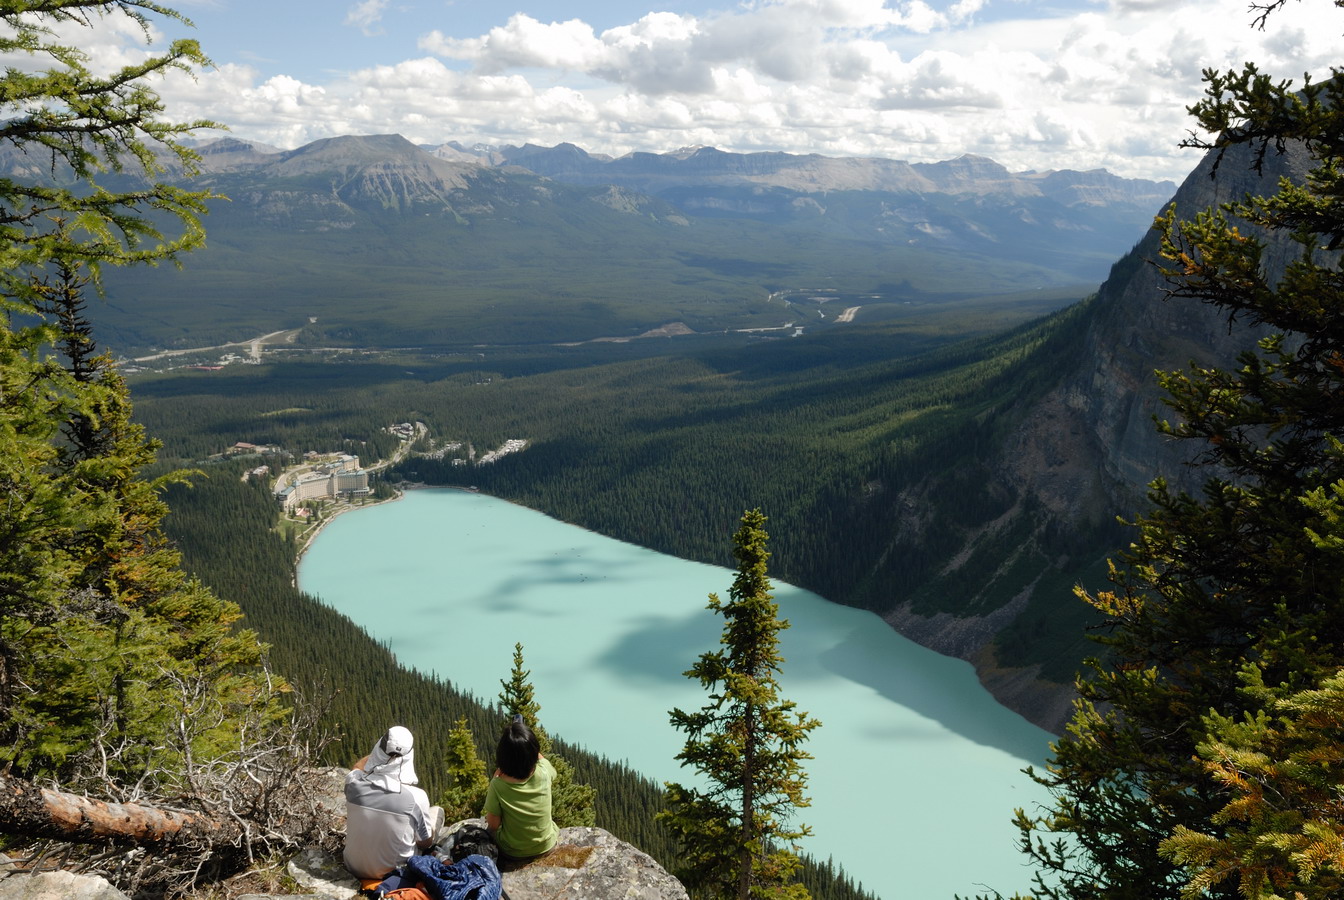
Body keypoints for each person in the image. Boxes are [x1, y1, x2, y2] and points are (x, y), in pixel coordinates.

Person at [344, 725, 444, 883]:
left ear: (379, 748)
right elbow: (425, 843)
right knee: (437, 811)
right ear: (408, 757)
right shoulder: (416, 797)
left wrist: (380, 756)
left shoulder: (353, 782)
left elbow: (357, 768)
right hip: (393, 874)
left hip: (352, 866)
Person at [483, 716, 559, 860]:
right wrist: (526, 746)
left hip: (512, 852)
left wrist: (496, 777)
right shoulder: (544, 772)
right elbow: (544, 763)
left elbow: (493, 825)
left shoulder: (498, 785)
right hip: (546, 846)